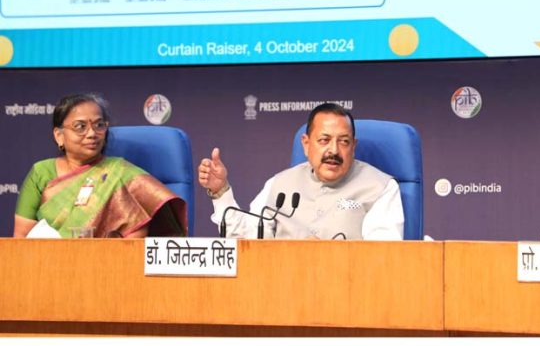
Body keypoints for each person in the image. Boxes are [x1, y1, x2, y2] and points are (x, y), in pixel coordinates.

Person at [198, 103, 404, 240]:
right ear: (306, 144)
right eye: (324, 140)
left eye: (344, 142)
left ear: (353, 146)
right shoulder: (279, 185)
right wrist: (221, 191)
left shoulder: (380, 188)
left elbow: (383, 256)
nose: (333, 150)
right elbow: (246, 240)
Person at [13, 93, 187, 238]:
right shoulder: (40, 172)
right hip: (49, 268)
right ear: (59, 136)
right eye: (80, 126)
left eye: (99, 125)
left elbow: (135, 244)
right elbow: (21, 239)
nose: (92, 133)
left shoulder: (122, 175)